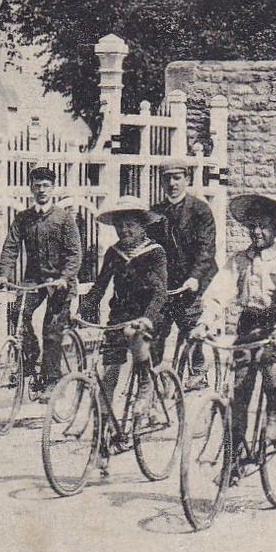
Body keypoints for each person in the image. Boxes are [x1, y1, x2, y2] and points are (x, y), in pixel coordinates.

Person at [195, 194, 276, 456]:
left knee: (266, 357)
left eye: (264, 226)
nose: (257, 232)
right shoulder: (239, 260)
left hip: (275, 323)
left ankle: (275, 405)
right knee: (239, 390)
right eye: (253, 226)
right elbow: (219, 291)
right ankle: (232, 458)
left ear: (275, 230)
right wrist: (205, 322)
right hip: (248, 324)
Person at [79, 196, 169, 479]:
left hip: (146, 316)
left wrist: (147, 318)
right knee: (107, 379)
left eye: (130, 225)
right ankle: (101, 449)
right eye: (120, 226)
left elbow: (159, 293)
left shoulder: (156, 253)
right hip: (119, 317)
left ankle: (147, 388)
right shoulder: (114, 253)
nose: (125, 231)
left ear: (142, 227)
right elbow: (100, 286)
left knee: (140, 342)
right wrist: (83, 309)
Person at [0, 166, 83, 400]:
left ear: (53, 188)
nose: (41, 190)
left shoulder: (64, 218)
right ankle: (30, 356)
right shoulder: (23, 218)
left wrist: (65, 277)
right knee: (17, 313)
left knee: (51, 330)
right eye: (37, 185)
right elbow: (11, 247)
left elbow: (75, 254)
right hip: (34, 280)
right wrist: (3, 273)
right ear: (31, 188)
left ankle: (52, 380)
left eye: (46, 185)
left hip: (61, 282)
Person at [147, 160, 218, 385]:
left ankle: (198, 364)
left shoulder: (200, 210)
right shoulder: (155, 212)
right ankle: (155, 376)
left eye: (177, 178)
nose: (172, 183)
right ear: (161, 182)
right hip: (166, 281)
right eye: (167, 179)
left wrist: (195, 278)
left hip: (195, 276)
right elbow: (149, 249)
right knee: (155, 327)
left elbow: (206, 249)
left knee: (190, 322)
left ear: (186, 180)